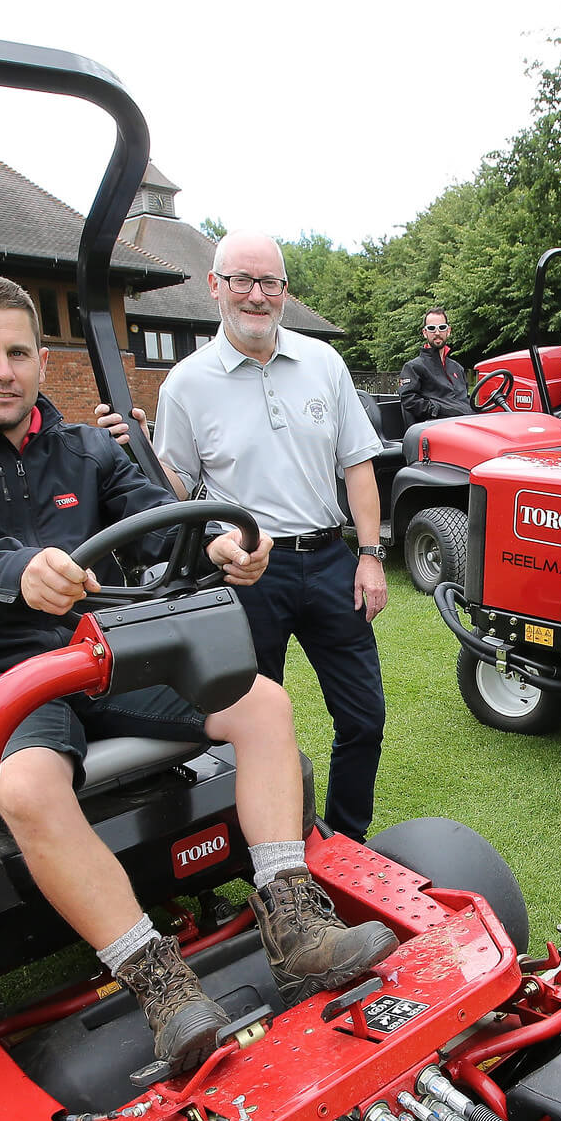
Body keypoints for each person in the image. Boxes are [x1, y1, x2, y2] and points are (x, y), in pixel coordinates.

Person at [0, 272, 395, 1075]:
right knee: (29, 789)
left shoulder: (80, 448)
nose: (2, 369)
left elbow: (145, 515)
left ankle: (295, 925)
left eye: (17, 351)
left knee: (263, 704)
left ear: (41, 359)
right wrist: (16, 571)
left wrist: (217, 547)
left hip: (99, 653)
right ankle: (161, 985)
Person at [155, 233, 389, 841]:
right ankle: (275, 850)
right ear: (215, 286)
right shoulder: (185, 384)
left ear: (285, 291)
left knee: (364, 715)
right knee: (256, 724)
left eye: (271, 284)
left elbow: (358, 463)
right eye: (242, 281)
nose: (257, 296)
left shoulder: (324, 363)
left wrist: (369, 555)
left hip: (329, 560)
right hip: (245, 575)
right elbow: (172, 492)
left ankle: (347, 840)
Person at [397, 308, 469, 425]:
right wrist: (437, 410)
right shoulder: (413, 368)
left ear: (448, 331)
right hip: (437, 427)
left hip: (466, 423)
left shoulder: (457, 368)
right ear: (425, 333)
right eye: (431, 328)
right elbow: (409, 399)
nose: (437, 333)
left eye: (442, 328)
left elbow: (466, 398)